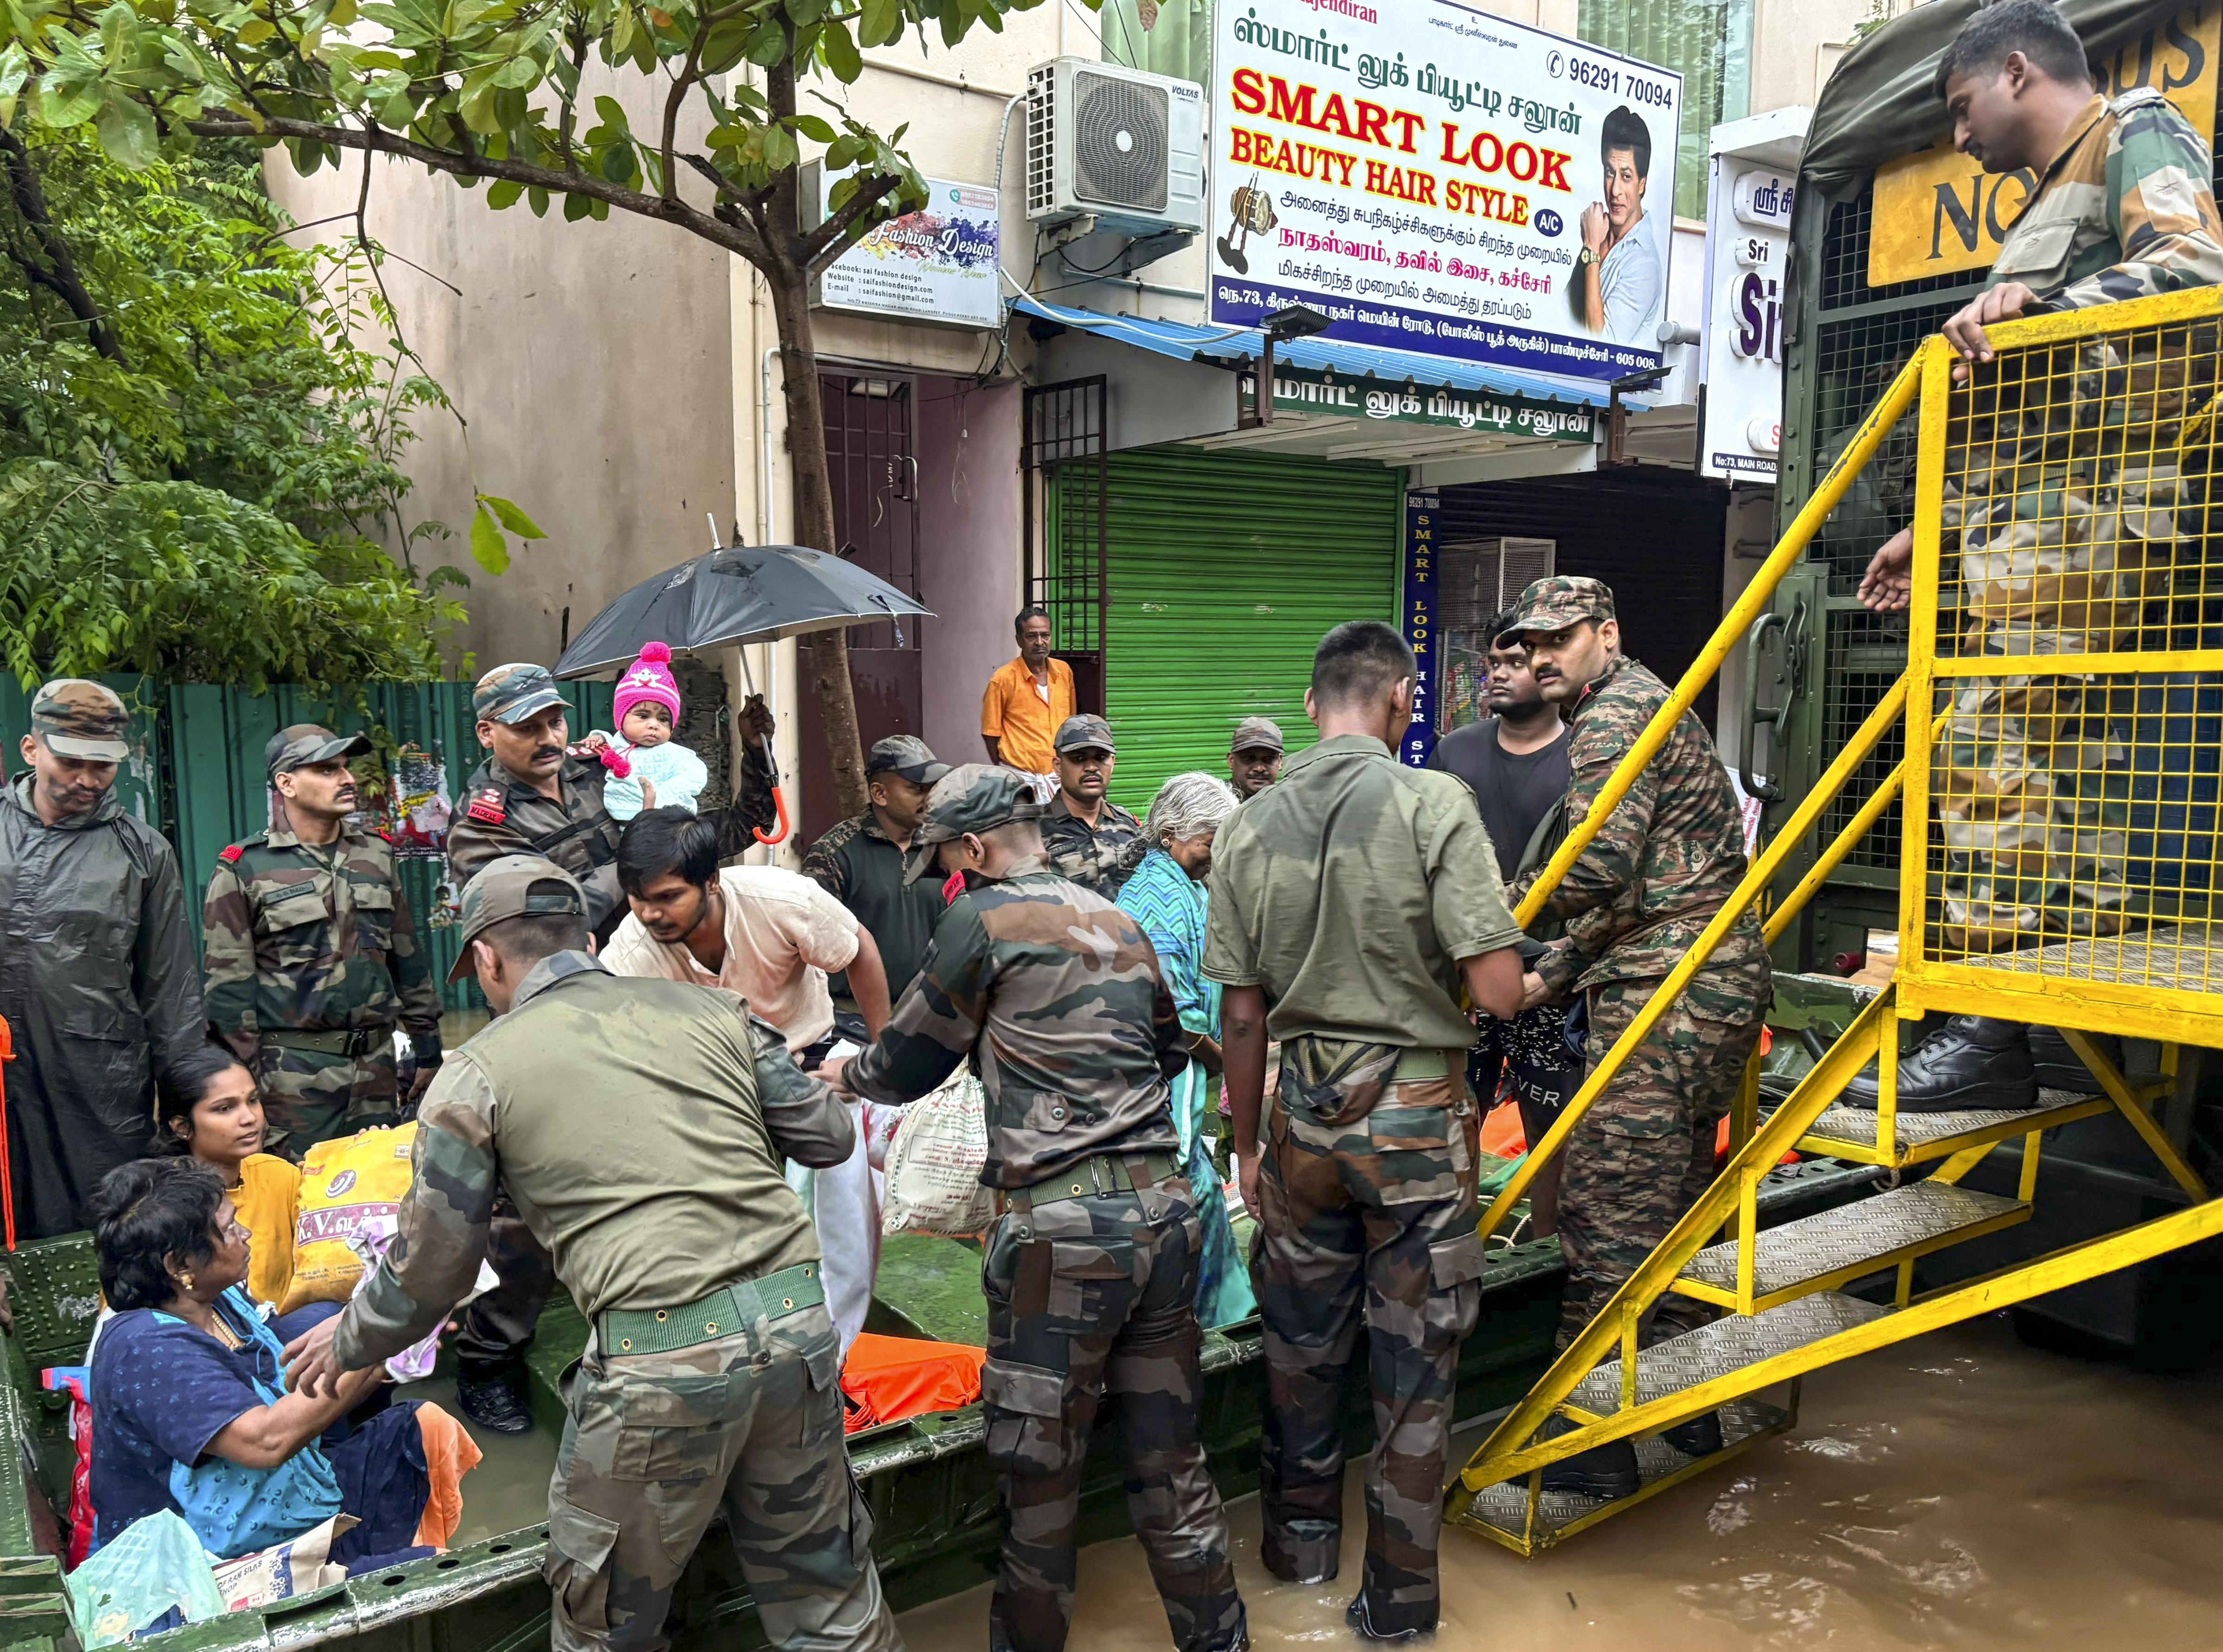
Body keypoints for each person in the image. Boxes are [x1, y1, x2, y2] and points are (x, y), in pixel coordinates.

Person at [281, 855, 897, 1652]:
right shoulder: (715, 1014)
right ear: (592, 935)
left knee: (604, 1626)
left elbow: (436, 1268)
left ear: (490, 960)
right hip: (798, 1333)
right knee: (832, 1606)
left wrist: (351, 1336)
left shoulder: (475, 1077)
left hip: (658, 1369)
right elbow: (828, 1133)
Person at [1849, 0, 2223, 1111]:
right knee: (2063, 768)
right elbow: (2033, 410)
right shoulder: (2052, 191)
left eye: (1960, 108)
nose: (1957, 138)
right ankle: (2043, 1013)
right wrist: (1941, 526)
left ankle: (1986, 1027)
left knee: (1988, 742)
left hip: (2094, 522)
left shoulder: (2132, 132)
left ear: (2017, 71)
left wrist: (2037, 310)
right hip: (2045, 525)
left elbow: (2200, 272)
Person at [825, 766, 1246, 1652]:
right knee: (1175, 1472)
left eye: (947, 854)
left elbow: (907, 1065)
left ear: (973, 847)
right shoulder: (1121, 916)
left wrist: (841, 1072)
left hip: (1061, 1242)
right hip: (1164, 1217)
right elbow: (1172, 1049)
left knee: (1040, 1491)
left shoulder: (978, 918)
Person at [1201, 622, 1526, 1642]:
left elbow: (1242, 1015)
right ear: (1402, 702)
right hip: (1417, 1128)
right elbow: (1498, 990)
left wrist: (1247, 1149)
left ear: (1309, 707)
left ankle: (1295, 1557)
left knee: (1299, 1352)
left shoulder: (1251, 823)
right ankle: (1395, 1607)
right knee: (1414, 1374)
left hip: (1299, 1122)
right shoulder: (1434, 802)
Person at [1498, 576, 1771, 1500]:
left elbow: (1600, 865)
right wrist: (1552, 970)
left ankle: (1587, 1441)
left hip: (1669, 994)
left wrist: (1504, 913)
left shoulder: (1613, 719)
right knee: (1678, 1204)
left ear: (1605, 635)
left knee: (1607, 1206)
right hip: (1712, 983)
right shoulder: (1650, 703)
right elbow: (1646, 883)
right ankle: (1686, 1405)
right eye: (1531, 644)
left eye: (1560, 639)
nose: (1542, 657)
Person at [88, 1156, 473, 1566]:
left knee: (417, 1427)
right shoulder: (146, 1348)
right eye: (230, 1229)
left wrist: (388, 1346)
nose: (246, 1234)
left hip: (278, 1500)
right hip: (207, 1559)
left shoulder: (220, 1299)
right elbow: (266, 1441)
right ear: (180, 1265)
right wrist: (381, 1337)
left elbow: (296, 1398)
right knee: (425, 1566)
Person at [1, 678, 205, 1240]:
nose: (88, 780)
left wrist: (185, 1104)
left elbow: (171, 990)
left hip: (96, 1082)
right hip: (2, 1073)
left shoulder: (141, 853)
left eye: (105, 766)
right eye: (71, 762)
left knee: (105, 1219)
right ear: (31, 748)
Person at [201, 724, 444, 1160]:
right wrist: (244, 1087)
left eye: (346, 768)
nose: (348, 779)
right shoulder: (244, 868)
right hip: (293, 1079)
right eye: (328, 769)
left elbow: (406, 957)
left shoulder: (376, 855)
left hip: (377, 1070)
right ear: (286, 783)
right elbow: (229, 992)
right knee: (298, 1196)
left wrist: (427, 1047)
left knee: (375, 1199)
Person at [447, 663, 779, 945]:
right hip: (569, 990)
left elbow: (738, 830)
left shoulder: (607, 767)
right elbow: (538, 926)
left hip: (658, 970)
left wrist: (756, 749)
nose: (549, 739)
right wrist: (647, 849)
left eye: (556, 722)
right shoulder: (481, 822)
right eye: (527, 728)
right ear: (486, 733)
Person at [1428, 615, 1578, 1235]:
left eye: (1517, 661)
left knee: (1553, 1126)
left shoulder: (1589, 756)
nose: (1501, 673)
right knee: (1455, 1118)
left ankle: (1542, 1256)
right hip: (1466, 971)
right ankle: (1457, 1250)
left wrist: (1565, 961)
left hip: (1550, 974)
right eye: (1495, 662)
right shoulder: (1455, 751)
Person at [1115, 772, 1256, 1329]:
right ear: (1173, 834)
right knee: (1186, 1186)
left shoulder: (1186, 886)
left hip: (1187, 1076)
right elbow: (1173, 1014)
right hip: (1170, 1074)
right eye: (1208, 842)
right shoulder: (1156, 898)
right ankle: (1205, 1317)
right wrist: (1231, 1058)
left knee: (1198, 1188)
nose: (1214, 855)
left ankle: (1227, 1311)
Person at [605, 807, 892, 1053]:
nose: (650, 913)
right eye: (638, 897)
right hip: (709, 1080)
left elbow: (857, 947)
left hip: (806, 1057)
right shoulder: (630, 949)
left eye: (668, 897)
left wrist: (882, 1060)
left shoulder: (781, 898)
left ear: (712, 882)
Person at [802, 735, 955, 1004]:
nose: (931, 798)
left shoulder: (949, 848)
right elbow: (813, 942)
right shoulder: (835, 853)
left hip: (934, 1013)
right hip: (853, 1018)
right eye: (918, 789)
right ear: (880, 794)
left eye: (934, 788)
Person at [156, 1046, 301, 1309]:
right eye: (225, 1109)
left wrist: (373, 1151)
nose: (250, 1118)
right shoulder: (157, 1205)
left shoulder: (279, 1175)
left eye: (253, 1100)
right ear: (182, 1127)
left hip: (286, 1339)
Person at [1575, 105, 1663, 346]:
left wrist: (1591, 250)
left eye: (1626, 177)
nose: (1615, 191)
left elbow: (1599, 345)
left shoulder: (1644, 265)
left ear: (1642, 184)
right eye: (1609, 173)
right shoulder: (1599, 233)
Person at [594, 642, 710, 822]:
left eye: (664, 719)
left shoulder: (675, 754)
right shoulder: (618, 747)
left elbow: (695, 775)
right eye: (643, 716)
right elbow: (610, 744)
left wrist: (658, 798)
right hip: (621, 824)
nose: (654, 725)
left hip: (668, 824)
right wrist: (598, 737)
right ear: (621, 719)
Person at [1039, 714, 1147, 898]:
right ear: (1058, 766)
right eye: (1078, 759)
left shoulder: (1129, 827)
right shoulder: (1034, 830)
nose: (1091, 767)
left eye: (1100, 758)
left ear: (1112, 763)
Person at [981, 606, 1076, 798]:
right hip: (1021, 779)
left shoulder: (1064, 672)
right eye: (1032, 636)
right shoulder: (1003, 679)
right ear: (1019, 640)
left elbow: (1071, 723)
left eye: (1046, 635)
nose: (1040, 642)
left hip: (1058, 777)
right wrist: (1007, 768)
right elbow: (990, 733)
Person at [1227, 716, 1285, 799]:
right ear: (1231, 761)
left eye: (1268, 759)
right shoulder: (1213, 805)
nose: (1259, 769)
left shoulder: (1289, 804)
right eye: (1249, 758)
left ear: (1280, 762)